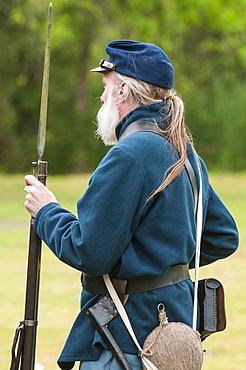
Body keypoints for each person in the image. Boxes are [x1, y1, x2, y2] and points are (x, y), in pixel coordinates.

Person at [24, 40, 239, 370]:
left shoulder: (129, 155)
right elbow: (222, 236)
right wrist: (160, 262)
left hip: (128, 337)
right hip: (171, 333)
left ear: (123, 90)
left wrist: (46, 211)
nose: (102, 95)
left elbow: (90, 253)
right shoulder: (185, 153)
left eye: (106, 86)